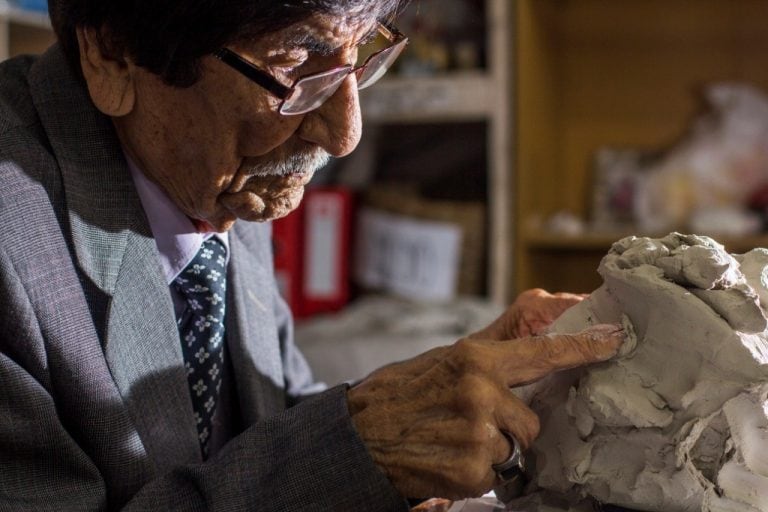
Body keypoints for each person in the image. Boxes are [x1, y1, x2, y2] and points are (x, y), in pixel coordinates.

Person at [0, 0, 626, 510]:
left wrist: (437, 402)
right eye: (300, 63)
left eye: (364, 53)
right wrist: (362, 451)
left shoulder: (214, 167)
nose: (344, 131)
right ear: (113, 50)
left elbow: (258, 428)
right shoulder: (14, 247)